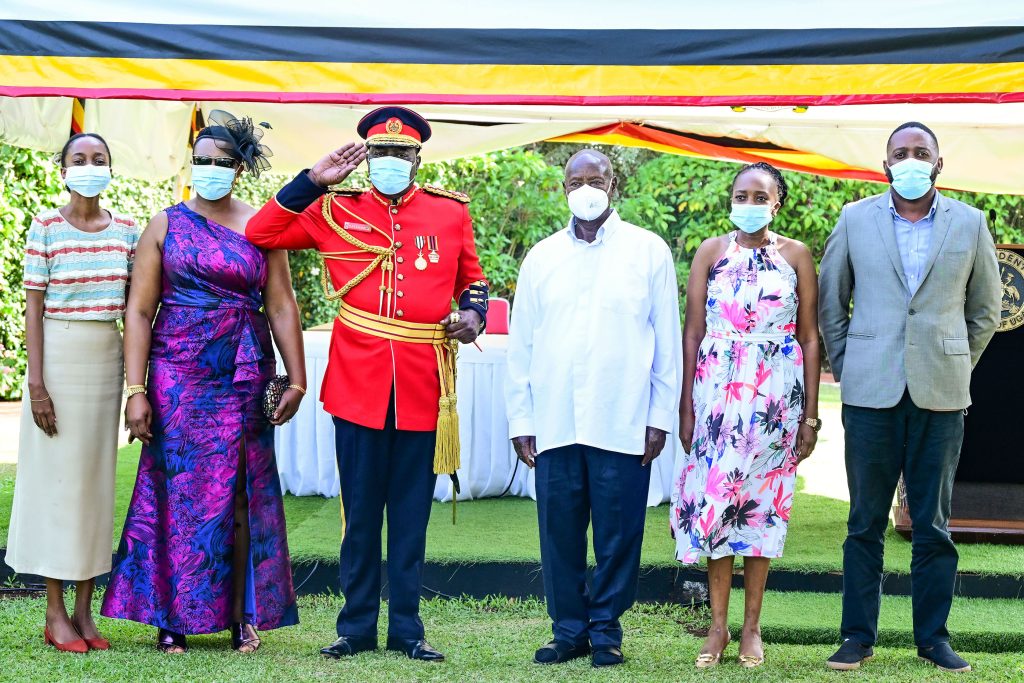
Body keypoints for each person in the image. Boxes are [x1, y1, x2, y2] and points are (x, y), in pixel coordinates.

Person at [245, 106, 488, 663]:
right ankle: (354, 627)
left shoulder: (449, 213)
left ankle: (407, 628)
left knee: (410, 517)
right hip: (357, 385)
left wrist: (471, 316)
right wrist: (313, 179)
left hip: (425, 385)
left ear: (417, 158)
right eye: (381, 154)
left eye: (401, 154)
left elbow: (472, 281)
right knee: (358, 516)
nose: (390, 162)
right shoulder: (334, 211)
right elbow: (262, 231)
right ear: (367, 159)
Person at [100, 111, 305, 654]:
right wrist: (136, 389)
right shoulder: (163, 223)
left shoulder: (263, 225)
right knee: (176, 490)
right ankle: (172, 615)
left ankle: (242, 617)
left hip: (242, 371)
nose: (209, 170)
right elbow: (139, 312)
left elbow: (281, 304)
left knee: (240, 494)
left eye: (221, 162)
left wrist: (297, 378)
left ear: (238, 168)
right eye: (202, 161)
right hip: (177, 372)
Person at [819, 122, 1001, 673]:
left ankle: (934, 638)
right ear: (885, 164)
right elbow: (833, 304)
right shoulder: (854, 219)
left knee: (934, 524)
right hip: (869, 392)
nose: (911, 160)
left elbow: (986, 311)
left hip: (942, 393)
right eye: (901, 153)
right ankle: (857, 637)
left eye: (922, 153)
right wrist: (852, 367)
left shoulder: (971, 223)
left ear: (940, 164)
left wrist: (953, 363)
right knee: (864, 522)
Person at [505, 149, 681, 668]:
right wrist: (522, 420)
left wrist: (659, 416)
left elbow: (667, 343)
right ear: (564, 190)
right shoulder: (541, 257)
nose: (586, 189)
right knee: (558, 532)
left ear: (614, 184)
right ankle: (568, 631)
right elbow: (522, 348)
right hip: (555, 419)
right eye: (575, 181)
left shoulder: (649, 252)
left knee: (619, 532)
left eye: (596, 180)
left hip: (623, 417)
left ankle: (606, 629)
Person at [672, 162, 820, 669]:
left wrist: (811, 417)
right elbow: (692, 331)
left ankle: (752, 628)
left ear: (777, 202)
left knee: (761, 509)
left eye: (761, 196)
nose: (750, 203)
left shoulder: (796, 256)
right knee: (717, 505)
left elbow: (809, 337)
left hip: (776, 401)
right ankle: (717, 627)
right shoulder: (711, 253)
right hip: (717, 396)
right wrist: (686, 404)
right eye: (742, 194)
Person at [6, 133, 140, 653]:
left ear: (111, 168)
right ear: (62, 169)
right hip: (57, 362)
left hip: (106, 359)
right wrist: (35, 384)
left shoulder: (127, 231)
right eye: (79, 160)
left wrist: (135, 386)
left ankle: (85, 612)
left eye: (99, 159)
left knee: (93, 486)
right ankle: (54, 612)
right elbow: (32, 310)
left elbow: (134, 313)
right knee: (57, 488)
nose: (90, 167)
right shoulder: (44, 227)